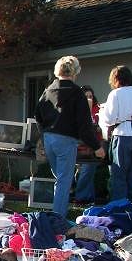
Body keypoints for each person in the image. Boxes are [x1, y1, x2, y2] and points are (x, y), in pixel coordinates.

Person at [35, 56, 105, 217]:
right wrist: (97, 147)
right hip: (65, 140)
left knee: (59, 179)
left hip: (49, 139)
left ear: (57, 71)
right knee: (64, 182)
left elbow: (38, 116)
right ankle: (58, 219)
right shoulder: (77, 93)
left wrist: (44, 136)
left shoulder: (48, 91)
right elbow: (84, 126)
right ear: (75, 72)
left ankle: (55, 214)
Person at [98, 65, 132, 202]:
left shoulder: (115, 93)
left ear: (115, 79)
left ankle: (119, 208)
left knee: (119, 175)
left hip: (122, 134)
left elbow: (109, 119)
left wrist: (103, 111)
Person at [73, 86, 102, 204]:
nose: (89, 99)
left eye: (90, 96)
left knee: (88, 171)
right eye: (86, 97)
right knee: (83, 172)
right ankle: (88, 198)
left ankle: (82, 198)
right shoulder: (76, 109)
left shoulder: (98, 110)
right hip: (80, 146)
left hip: (94, 146)